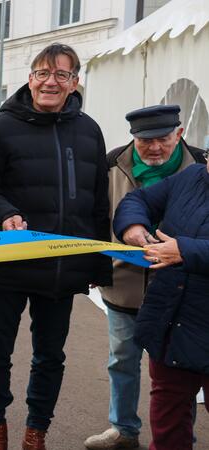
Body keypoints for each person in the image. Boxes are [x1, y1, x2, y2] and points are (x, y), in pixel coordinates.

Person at [0, 43, 112, 450]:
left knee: (50, 356)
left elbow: (98, 202)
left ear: (75, 82)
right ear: (30, 77)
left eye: (62, 75)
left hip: (63, 269)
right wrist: (3, 214)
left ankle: (37, 430)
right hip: (8, 262)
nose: (51, 82)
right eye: (43, 73)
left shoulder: (88, 130)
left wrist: (99, 266)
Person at [85, 105, 205, 449]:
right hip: (126, 283)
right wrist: (124, 237)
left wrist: (183, 250)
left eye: (163, 140)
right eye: (144, 141)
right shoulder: (112, 163)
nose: (154, 148)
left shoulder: (197, 166)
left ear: (179, 135)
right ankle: (123, 428)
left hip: (183, 293)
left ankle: (182, 436)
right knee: (125, 359)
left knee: (180, 370)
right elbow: (106, 210)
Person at [114, 158, 209, 449]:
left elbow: (185, 248)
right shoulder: (192, 176)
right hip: (173, 321)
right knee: (168, 420)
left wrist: (185, 250)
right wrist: (132, 225)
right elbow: (137, 199)